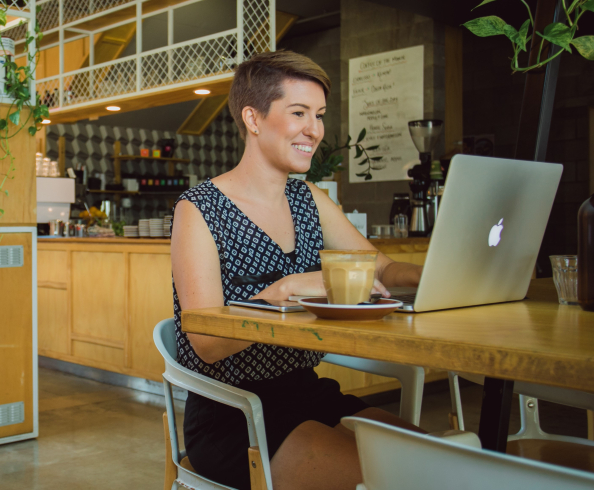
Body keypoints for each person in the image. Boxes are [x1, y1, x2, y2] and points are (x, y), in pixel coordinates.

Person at [170, 50, 424, 490]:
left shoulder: (311, 200)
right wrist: (283, 290)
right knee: (392, 479)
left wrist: (437, 272)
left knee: (433, 462)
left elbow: (379, 266)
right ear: (253, 118)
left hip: (309, 392)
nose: (315, 130)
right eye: (299, 113)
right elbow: (206, 343)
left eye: (319, 115)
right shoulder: (199, 210)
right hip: (233, 412)